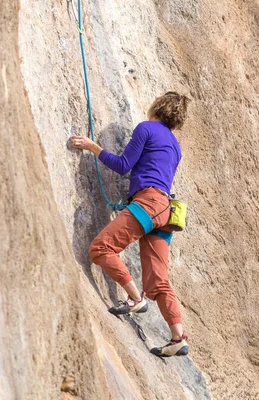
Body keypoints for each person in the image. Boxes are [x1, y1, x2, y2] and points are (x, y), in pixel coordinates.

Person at [70, 92, 190, 357]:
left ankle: (136, 299)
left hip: (147, 202)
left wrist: (93, 147)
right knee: (158, 280)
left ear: (156, 108)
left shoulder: (147, 128)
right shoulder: (175, 146)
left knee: (100, 249)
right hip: (165, 211)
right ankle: (177, 337)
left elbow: (124, 165)